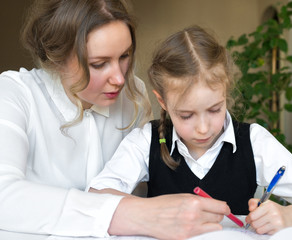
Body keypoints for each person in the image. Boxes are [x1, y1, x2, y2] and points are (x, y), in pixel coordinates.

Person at [0, 1, 232, 239]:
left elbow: (146, 187)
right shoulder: (14, 95)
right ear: (56, 56)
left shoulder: (133, 96)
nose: (120, 78)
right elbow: (3, 196)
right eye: (99, 64)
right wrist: (125, 213)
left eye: (124, 56)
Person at [89, 25, 292, 236]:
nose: (203, 129)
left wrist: (286, 216)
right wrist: (156, 210)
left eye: (214, 110)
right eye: (186, 115)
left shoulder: (255, 142)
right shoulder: (145, 141)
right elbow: (95, 197)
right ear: (162, 101)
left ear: (226, 88)